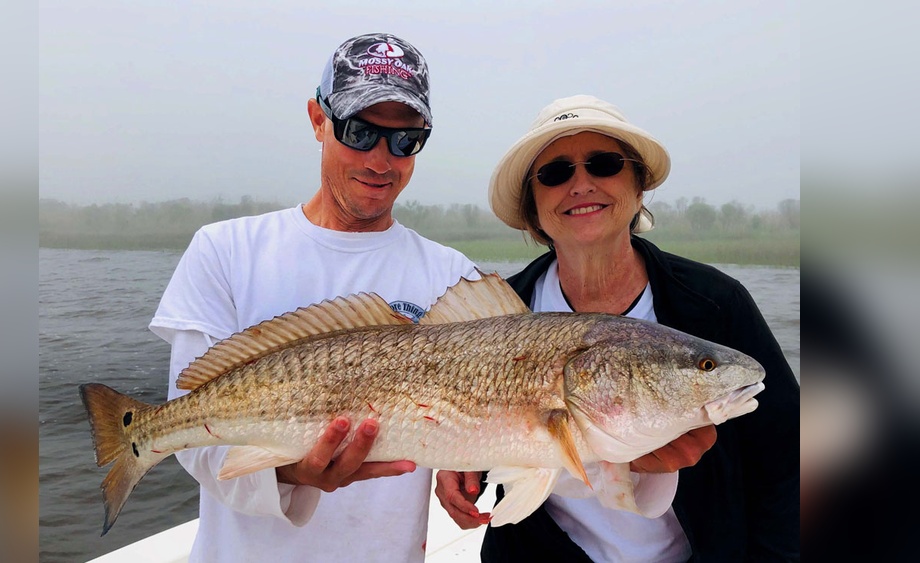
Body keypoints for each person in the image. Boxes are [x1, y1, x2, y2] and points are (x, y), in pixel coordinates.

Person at [148, 33, 478, 563]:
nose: (381, 159)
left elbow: (462, 417)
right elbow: (195, 434)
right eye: (359, 131)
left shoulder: (453, 278)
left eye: (405, 140)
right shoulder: (225, 250)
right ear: (317, 118)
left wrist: (468, 469)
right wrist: (287, 472)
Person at [435, 95, 799, 561]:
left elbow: (787, 460)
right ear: (534, 204)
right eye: (554, 173)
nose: (581, 183)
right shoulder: (499, 315)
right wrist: (459, 465)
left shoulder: (717, 304)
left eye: (605, 164)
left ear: (638, 187)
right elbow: (473, 415)